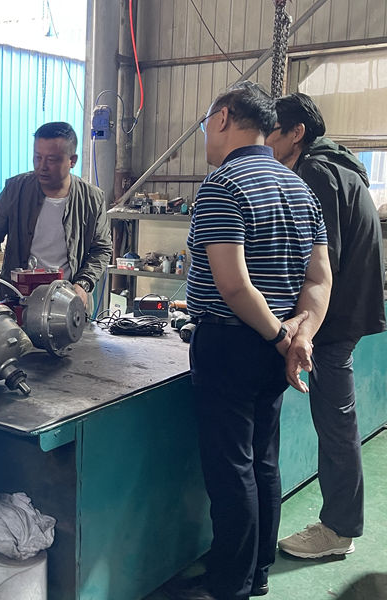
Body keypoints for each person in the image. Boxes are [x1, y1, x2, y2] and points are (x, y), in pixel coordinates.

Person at [175, 82, 332, 600]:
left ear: (222, 118)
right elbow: (319, 278)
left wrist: (282, 337)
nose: (205, 133)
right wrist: (300, 334)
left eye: (206, 123)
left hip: (232, 343)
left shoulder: (223, 185)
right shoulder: (299, 188)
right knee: (263, 460)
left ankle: (229, 585)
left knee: (232, 469)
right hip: (272, 349)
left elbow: (234, 286)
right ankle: (258, 571)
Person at [266, 93, 386, 559]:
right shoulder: (340, 166)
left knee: (336, 422)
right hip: (348, 313)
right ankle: (341, 523)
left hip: (332, 322)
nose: (264, 142)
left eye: (271, 132)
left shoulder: (316, 172)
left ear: (296, 133)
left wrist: (297, 325)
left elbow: (320, 260)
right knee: (338, 418)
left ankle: (338, 529)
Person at [0, 121, 111, 308]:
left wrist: (83, 283)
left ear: (72, 160)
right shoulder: (16, 189)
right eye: (38, 157)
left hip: (68, 301)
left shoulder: (92, 198)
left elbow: (102, 249)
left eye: (52, 160)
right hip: (18, 298)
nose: (42, 166)